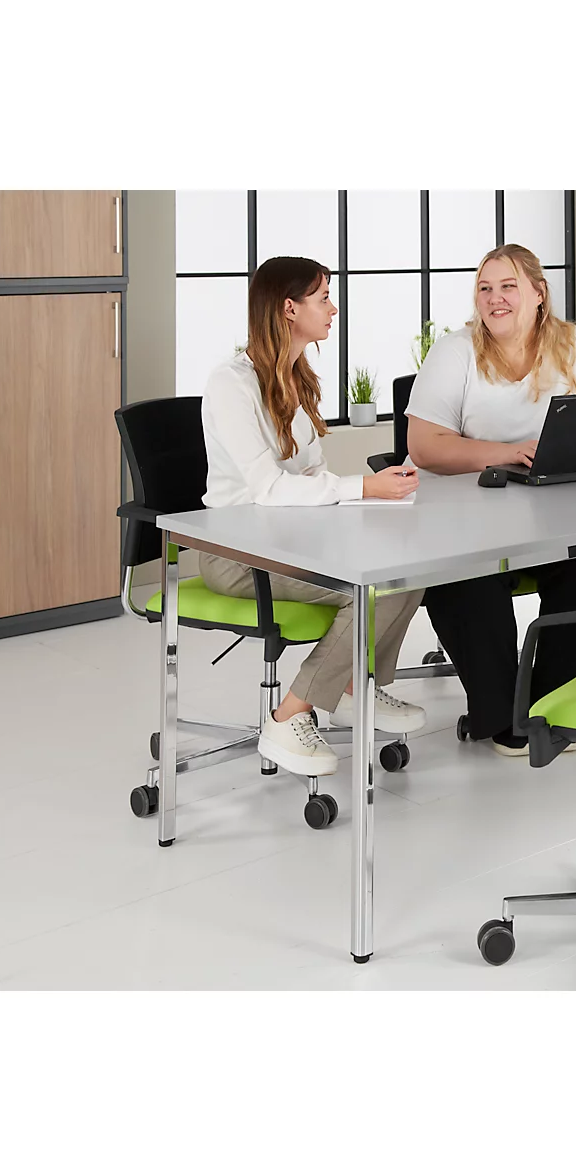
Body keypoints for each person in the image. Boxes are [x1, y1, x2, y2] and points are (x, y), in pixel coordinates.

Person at [200, 255, 426, 778]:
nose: (333, 308)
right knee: (371, 589)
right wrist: (364, 486)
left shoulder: (295, 378)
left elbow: (311, 476)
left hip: (292, 540)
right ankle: (290, 714)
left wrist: (369, 503)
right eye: (323, 298)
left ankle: (352, 686)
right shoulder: (231, 384)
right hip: (238, 554)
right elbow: (268, 487)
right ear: (288, 308)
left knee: (407, 574)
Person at [406, 243, 576, 756]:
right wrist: (507, 453)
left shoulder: (575, 345)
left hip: (551, 516)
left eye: (508, 286)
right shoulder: (455, 352)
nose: (495, 298)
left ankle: (557, 705)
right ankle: (503, 715)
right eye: (485, 288)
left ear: (539, 293)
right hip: (465, 520)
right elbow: (424, 446)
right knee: (462, 576)